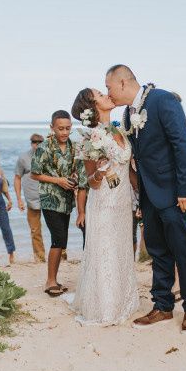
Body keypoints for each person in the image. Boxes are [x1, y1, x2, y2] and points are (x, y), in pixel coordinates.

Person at [106, 65, 186, 334]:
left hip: (175, 190)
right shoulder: (128, 115)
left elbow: (182, 144)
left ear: (123, 83)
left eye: (109, 87)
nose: (108, 92)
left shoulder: (162, 99)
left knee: (182, 248)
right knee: (157, 249)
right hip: (149, 192)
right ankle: (162, 305)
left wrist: (185, 191)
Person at [67, 88, 139, 325]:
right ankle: (105, 306)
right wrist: (99, 171)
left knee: (121, 248)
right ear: (92, 106)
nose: (106, 94)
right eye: (100, 93)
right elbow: (91, 183)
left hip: (123, 200)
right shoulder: (91, 138)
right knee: (105, 250)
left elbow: (128, 169)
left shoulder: (118, 128)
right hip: (104, 203)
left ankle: (123, 299)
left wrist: (141, 195)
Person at [31, 110, 87, 297]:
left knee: (62, 240)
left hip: (67, 201)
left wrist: (72, 179)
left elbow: (80, 176)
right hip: (50, 200)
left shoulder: (75, 147)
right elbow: (34, 174)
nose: (64, 132)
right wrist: (59, 181)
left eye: (68, 128)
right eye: (60, 128)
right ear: (52, 128)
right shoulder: (44, 147)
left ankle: (54, 279)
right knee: (59, 239)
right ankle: (50, 281)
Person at [14, 133, 47, 262]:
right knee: (35, 230)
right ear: (31, 143)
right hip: (31, 200)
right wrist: (19, 199)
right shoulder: (23, 158)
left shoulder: (48, 156)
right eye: (34, 142)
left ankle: (62, 256)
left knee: (56, 228)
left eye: (39, 142)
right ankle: (40, 258)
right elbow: (17, 178)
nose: (37, 144)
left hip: (49, 198)